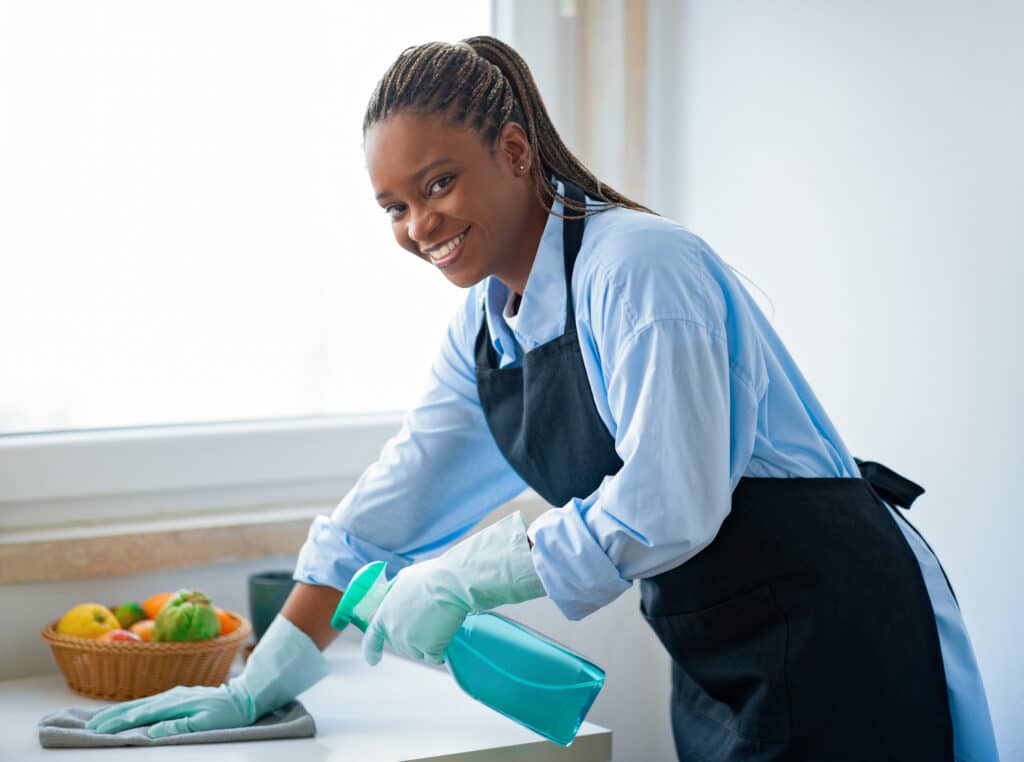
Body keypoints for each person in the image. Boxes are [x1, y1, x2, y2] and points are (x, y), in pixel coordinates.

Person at [86, 36, 999, 761]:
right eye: (393, 206)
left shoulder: (641, 267)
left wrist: (473, 574)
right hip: (723, 650)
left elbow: (671, 502)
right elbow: (393, 501)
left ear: (515, 152)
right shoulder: (488, 330)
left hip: (837, 629)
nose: (418, 226)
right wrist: (270, 671)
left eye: (438, 183)